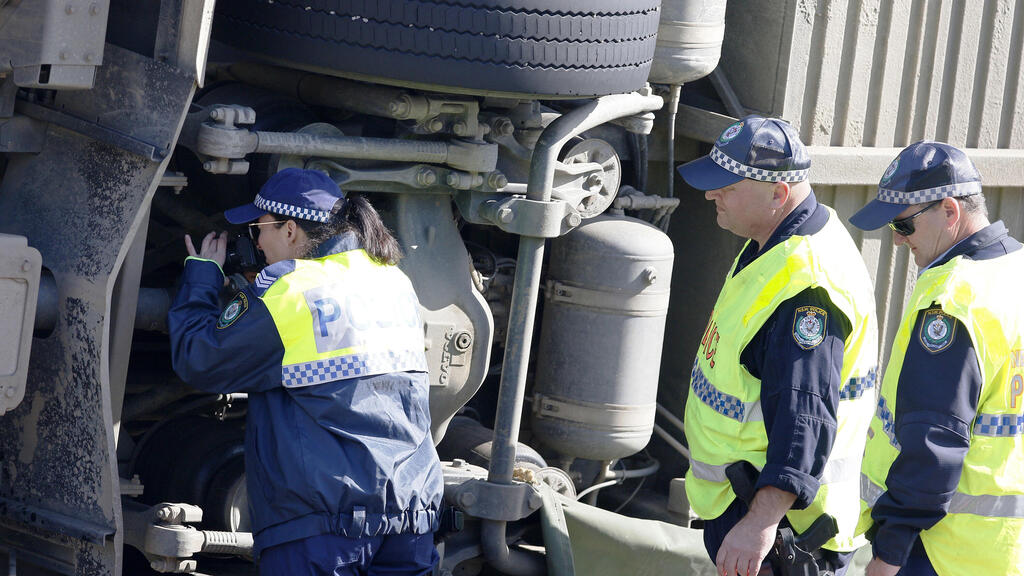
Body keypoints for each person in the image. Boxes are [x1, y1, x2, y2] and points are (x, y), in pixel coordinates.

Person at [167, 168, 443, 576]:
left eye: (260, 229)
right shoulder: (393, 280)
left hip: (324, 527)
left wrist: (202, 276)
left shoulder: (291, 290)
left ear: (291, 229)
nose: (257, 243)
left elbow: (199, 357)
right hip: (411, 514)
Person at [676, 115, 878, 576]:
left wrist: (760, 523)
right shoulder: (773, 243)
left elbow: (803, 415)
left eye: (727, 185)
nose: (712, 194)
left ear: (777, 194)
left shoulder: (806, 288)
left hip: (779, 532)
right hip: (748, 510)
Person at [849, 141, 1024, 576]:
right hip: (1003, 551)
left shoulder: (954, 299)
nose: (895, 237)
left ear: (950, 211)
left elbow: (934, 441)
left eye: (904, 225)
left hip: (940, 552)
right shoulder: (1015, 269)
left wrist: (889, 553)